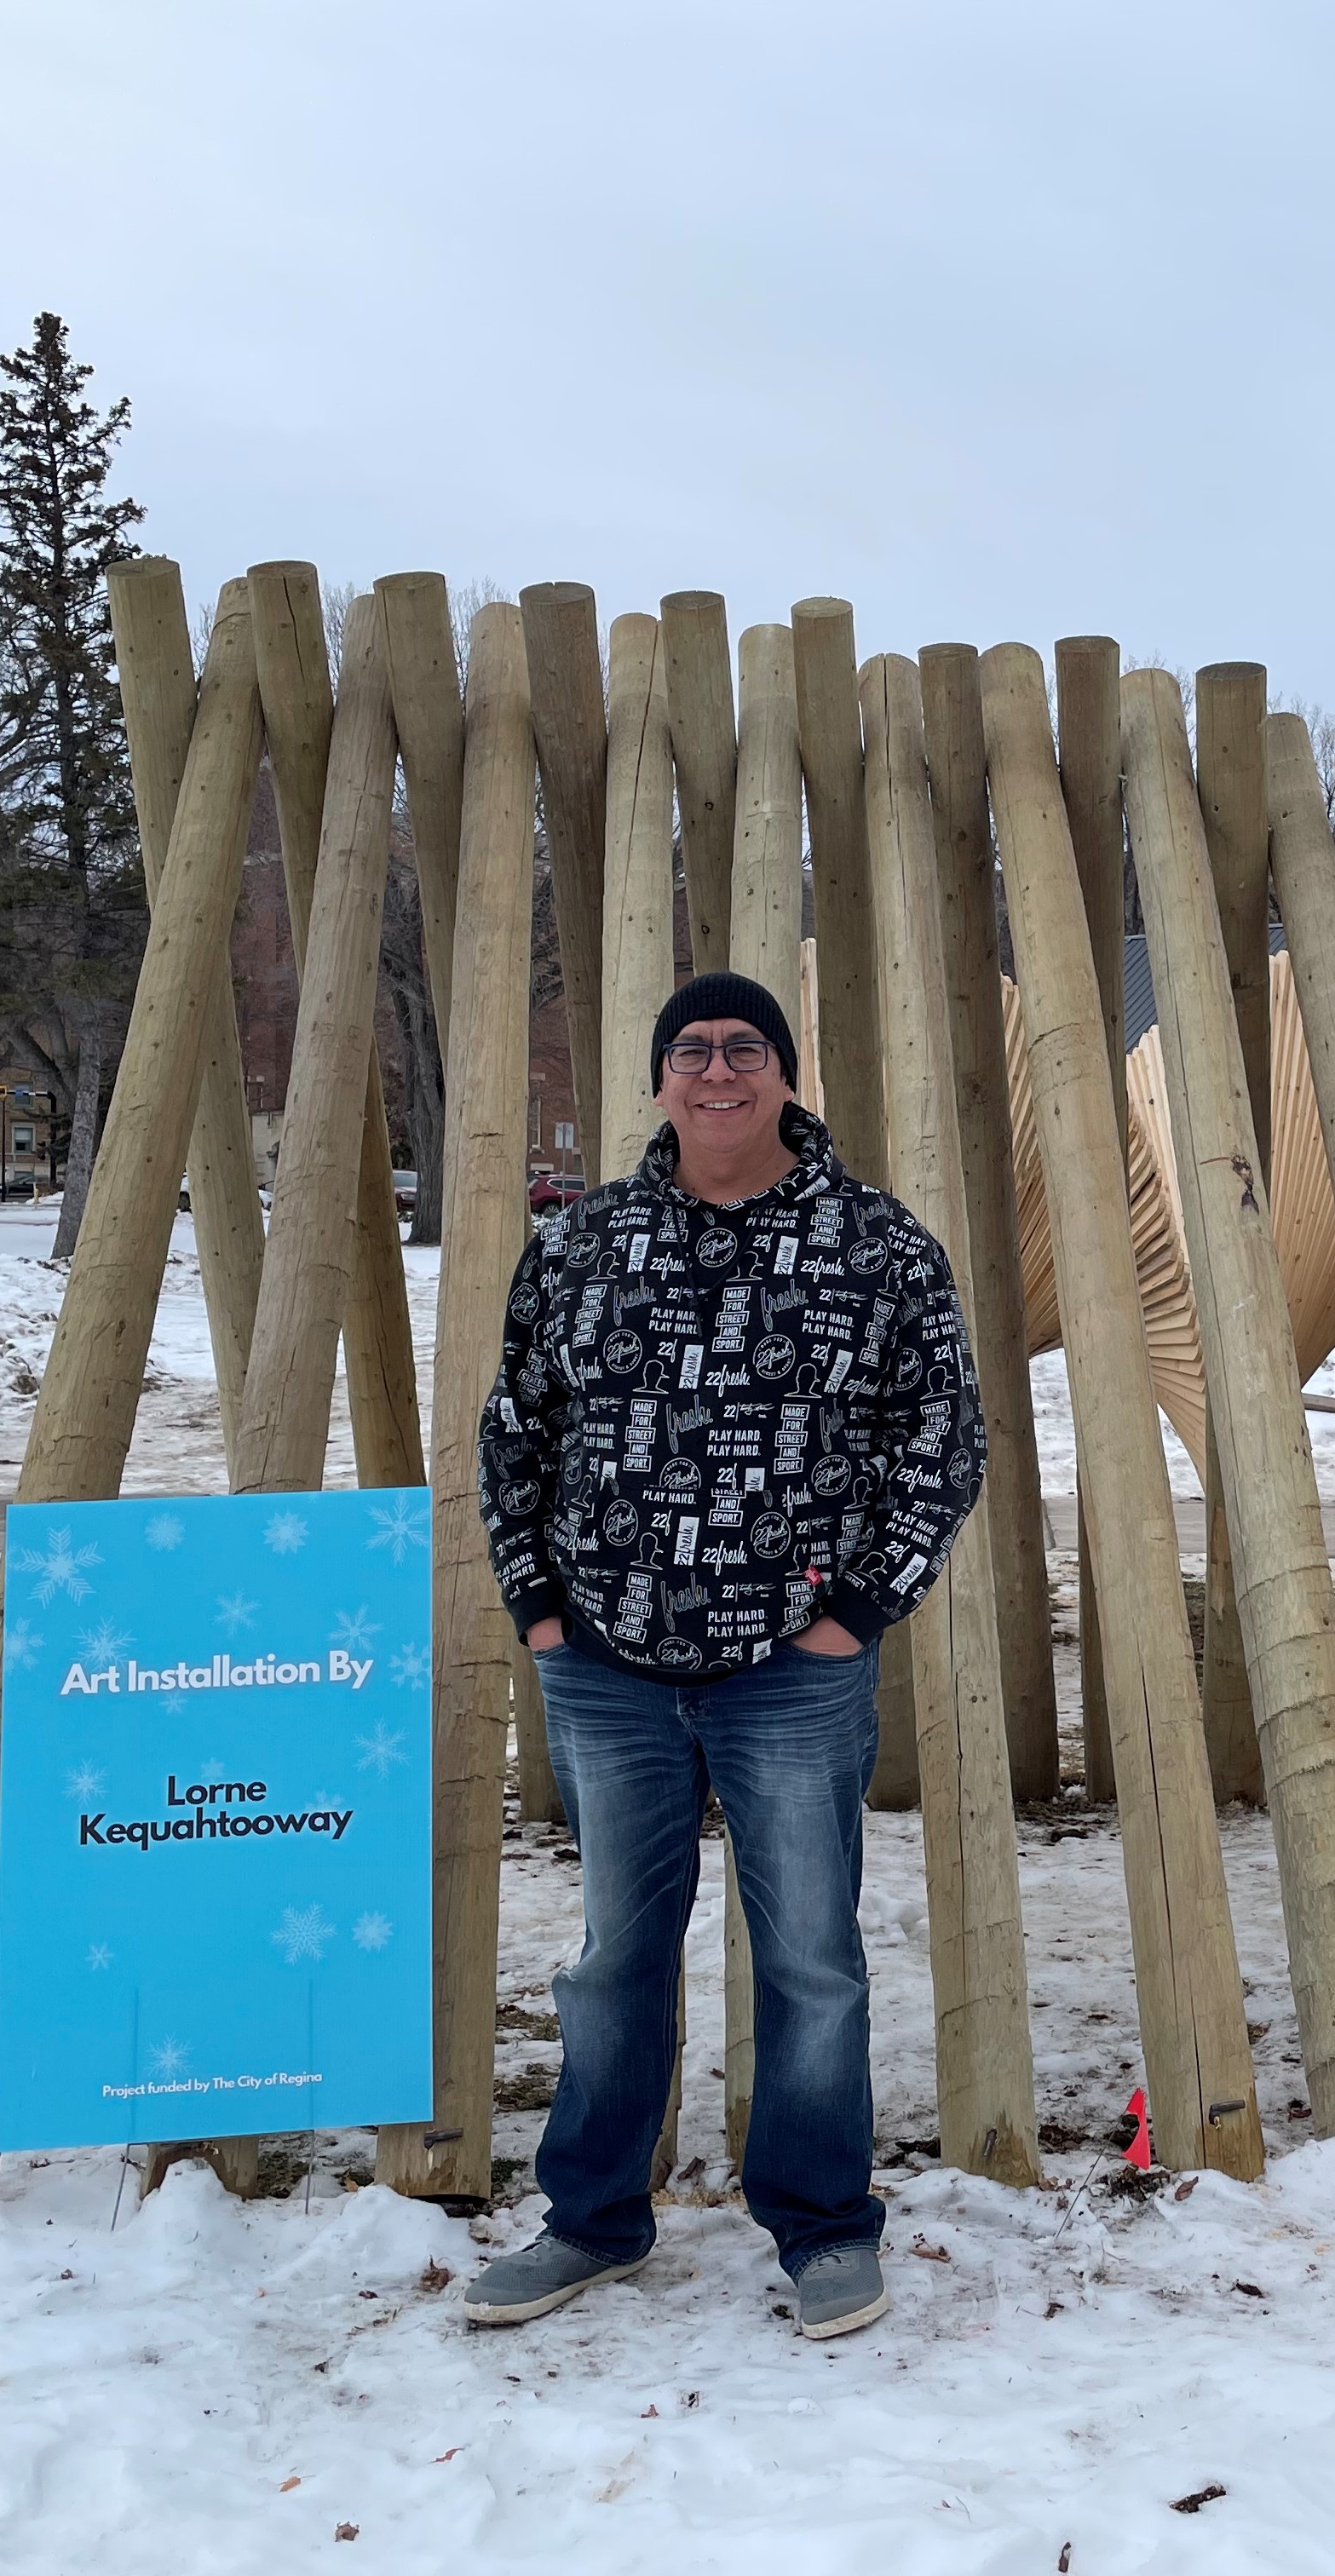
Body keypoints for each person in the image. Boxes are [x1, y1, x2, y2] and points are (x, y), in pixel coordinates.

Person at [462, 971, 985, 2337]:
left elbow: (942, 1441)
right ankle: (591, 2221)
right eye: (689, 1050)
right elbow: (514, 1426)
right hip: (607, 1665)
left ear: (786, 1074)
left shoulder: (877, 1246)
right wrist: (540, 1608)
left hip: (790, 1676)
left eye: (743, 1048)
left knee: (809, 1954)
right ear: (658, 1083)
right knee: (611, 1960)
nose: (716, 1070)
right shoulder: (582, 1241)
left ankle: (821, 2228)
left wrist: (852, 1615)